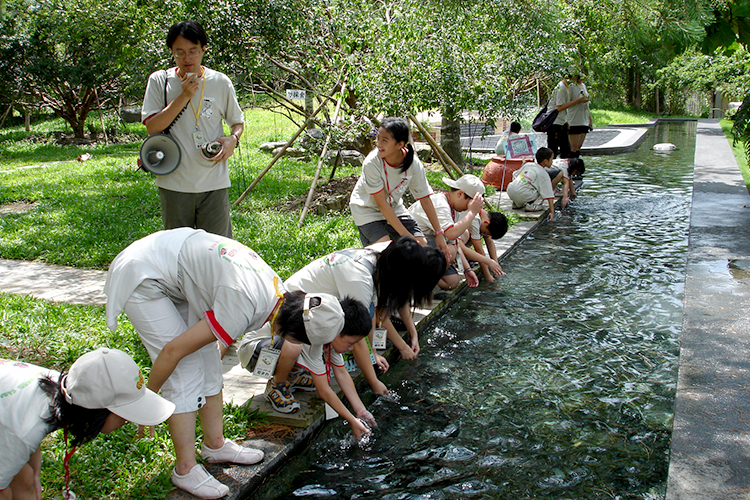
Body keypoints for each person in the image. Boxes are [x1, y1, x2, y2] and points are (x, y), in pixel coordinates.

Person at [104, 228, 365, 499]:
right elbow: (171, 352)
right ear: (295, 335)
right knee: (185, 370)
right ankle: (184, 468)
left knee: (205, 357)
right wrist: (146, 402)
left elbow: (213, 345)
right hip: (144, 275)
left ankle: (214, 445)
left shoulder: (281, 295)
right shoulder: (244, 304)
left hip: (174, 270)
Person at [237, 237, 447, 410]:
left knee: (315, 351)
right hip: (266, 344)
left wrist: (373, 352)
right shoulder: (359, 280)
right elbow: (358, 337)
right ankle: (277, 385)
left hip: (307, 327)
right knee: (294, 345)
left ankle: (293, 374)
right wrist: (374, 382)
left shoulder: (376, 261)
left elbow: (369, 318)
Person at [0, 348, 175, 500]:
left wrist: (35, 476)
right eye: (124, 413)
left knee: (26, 479)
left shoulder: (65, 392)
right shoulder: (23, 432)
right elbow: (19, 436)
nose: (127, 420)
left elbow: (20, 425)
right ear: (97, 413)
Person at [141, 20, 244, 238]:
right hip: (174, 183)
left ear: (204, 49)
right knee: (178, 252)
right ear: (171, 52)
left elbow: (238, 122)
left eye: (193, 51)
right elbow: (153, 127)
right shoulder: (160, 81)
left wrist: (232, 139)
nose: (187, 59)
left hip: (213, 182)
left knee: (217, 251)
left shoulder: (220, 82)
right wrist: (184, 95)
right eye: (179, 52)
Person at [349, 117, 448, 255]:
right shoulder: (372, 163)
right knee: (386, 251)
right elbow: (382, 205)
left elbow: (425, 199)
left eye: (385, 140)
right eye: (378, 138)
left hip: (395, 208)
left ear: (400, 144)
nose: (378, 144)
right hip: (367, 210)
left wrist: (439, 233)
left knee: (422, 247)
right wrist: (407, 237)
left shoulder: (413, 163)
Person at [409, 174, 502, 289]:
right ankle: (415, 279)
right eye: (470, 205)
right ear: (460, 194)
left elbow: (456, 244)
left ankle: (424, 279)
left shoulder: (455, 208)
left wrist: (467, 270)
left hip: (431, 245)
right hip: (412, 246)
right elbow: (451, 234)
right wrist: (472, 212)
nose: (469, 209)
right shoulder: (441, 204)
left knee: (452, 282)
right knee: (451, 251)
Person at [547, 70, 588, 160]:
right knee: (553, 150)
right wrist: (577, 100)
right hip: (555, 122)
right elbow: (559, 107)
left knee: (566, 150)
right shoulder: (561, 87)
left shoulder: (567, 87)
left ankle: (567, 170)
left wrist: (566, 121)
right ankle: (551, 170)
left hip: (562, 122)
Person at [507, 147, 556, 222]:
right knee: (540, 189)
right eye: (552, 159)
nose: (552, 162)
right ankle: (531, 205)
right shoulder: (544, 174)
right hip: (523, 194)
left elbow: (515, 174)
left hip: (510, 190)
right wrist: (552, 212)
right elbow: (549, 195)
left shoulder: (528, 164)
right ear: (546, 161)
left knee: (523, 185)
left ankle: (516, 203)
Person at [460, 209, 508, 283]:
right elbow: (479, 250)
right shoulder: (475, 220)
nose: (485, 234)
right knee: (469, 236)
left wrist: (496, 266)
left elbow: (490, 242)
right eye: (485, 232)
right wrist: (488, 276)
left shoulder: (485, 218)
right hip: (458, 239)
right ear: (486, 223)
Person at [567, 74, 593, 157]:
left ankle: (577, 164)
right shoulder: (570, 87)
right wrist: (578, 100)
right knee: (573, 147)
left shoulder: (583, 86)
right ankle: (571, 165)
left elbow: (587, 104)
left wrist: (590, 119)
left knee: (578, 147)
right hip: (574, 120)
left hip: (584, 119)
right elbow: (565, 103)